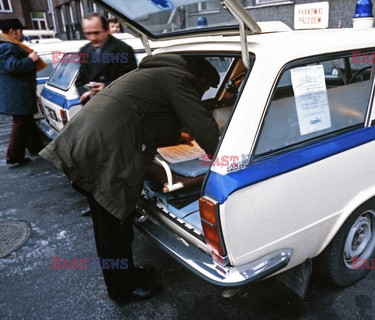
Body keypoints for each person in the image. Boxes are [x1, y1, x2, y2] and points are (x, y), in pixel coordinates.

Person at [40, 54, 220, 303]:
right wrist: (225, 155)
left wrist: (181, 137)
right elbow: (206, 130)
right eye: (207, 88)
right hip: (102, 153)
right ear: (200, 79)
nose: (204, 93)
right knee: (113, 227)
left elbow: (156, 121)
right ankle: (122, 289)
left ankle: (126, 275)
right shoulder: (179, 78)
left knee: (113, 224)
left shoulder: (155, 73)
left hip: (88, 143)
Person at [0, 19, 46, 166]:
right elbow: (12, 66)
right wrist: (30, 59)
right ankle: (13, 156)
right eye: (21, 31)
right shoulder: (7, 46)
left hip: (18, 92)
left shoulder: (7, 45)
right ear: (13, 31)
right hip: (17, 94)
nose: (22, 34)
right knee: (20, 122)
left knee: (27, 119)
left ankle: (36, 147)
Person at [76, 13, 137, 104]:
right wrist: (86, 93)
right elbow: (80, 81)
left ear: (107, 30)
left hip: (117, 105)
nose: (93, 38)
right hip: (94, 106)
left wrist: (106, 87)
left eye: (96, 33)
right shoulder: (84, 50)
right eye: (88, 33)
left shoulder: (123, 49)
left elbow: (131, 81)